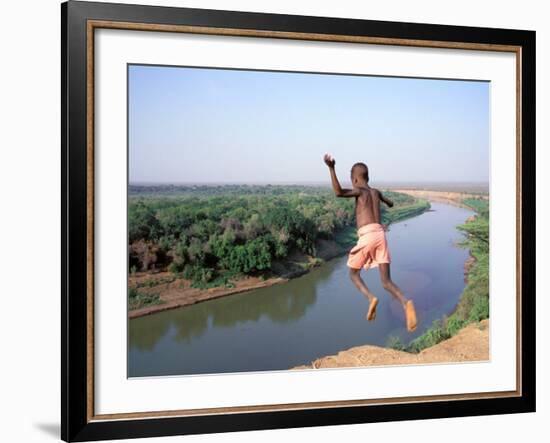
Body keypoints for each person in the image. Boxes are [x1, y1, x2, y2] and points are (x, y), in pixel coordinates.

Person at [323, 153, 417, 332]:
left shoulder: (359, 191)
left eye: (352, 180)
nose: (352, 183)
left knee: (353, 274)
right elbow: (389, 203)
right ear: (369, 177)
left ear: (356, 179)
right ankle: (406, 302)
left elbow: (338, 192)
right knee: (386, 281)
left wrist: (331, 168)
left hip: (367, 235)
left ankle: (370, 298)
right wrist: (386, 201)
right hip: (381, 235)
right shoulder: (376, 192)